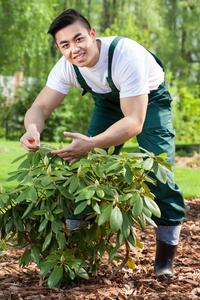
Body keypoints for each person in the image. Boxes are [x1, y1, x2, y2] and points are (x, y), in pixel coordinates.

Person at [20, 9, 185, 279]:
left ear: (93, 34)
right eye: (65, 45)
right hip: (107, 102)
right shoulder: (66, 66)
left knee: (160, 175)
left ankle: (164, 263)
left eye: (79, 39)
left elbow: (134, 122)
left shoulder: (125, 55)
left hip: (149, 102)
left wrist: (91, 143)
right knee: (84, 173)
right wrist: (32, 129)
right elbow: (39, 107)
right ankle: (75, 258)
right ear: (59, 48)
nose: (74, 49)